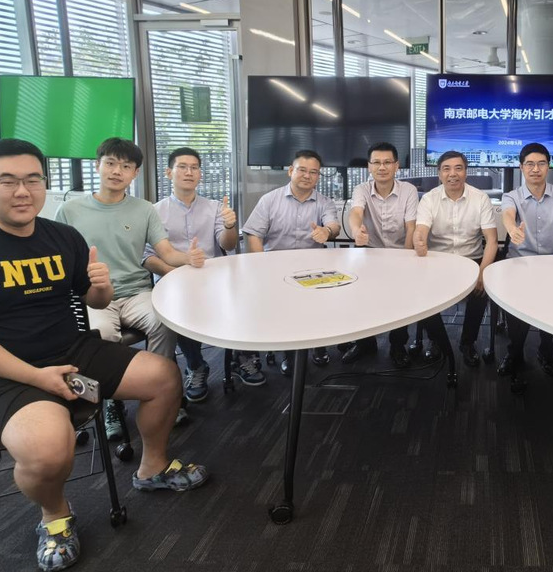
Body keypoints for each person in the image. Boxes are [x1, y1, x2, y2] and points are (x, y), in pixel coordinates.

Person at [0, 139, 208, 572]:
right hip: (2, 372)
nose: (22, 191)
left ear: (44, 184)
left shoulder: (62, 236)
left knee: (163, 377)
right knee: (48, 450)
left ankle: (152, 467)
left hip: (73, 350)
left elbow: (95, 299)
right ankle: (55, 516)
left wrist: (101, 286)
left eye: (32, 180)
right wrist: (37, 377)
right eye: (8, 181)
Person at [56, 138, 205, 437]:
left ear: (135, 173)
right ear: (97, 166)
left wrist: (188, 258)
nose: (117, 171)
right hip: (93, 296)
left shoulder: (144, 209)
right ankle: (112, 401)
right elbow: (57, 258)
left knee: (164, 322)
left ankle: (162, 392)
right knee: (101, 335)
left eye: (126, 166)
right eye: (110, 163)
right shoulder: (70, 210)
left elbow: (165, 252)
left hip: (137, 292)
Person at [143, 147, 254, 401]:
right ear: (169, 172)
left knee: (246, 295)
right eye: (182, 167)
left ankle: (242, 356)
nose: (189, 172)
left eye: (194, 167)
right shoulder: (154, 212)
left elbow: (227, 244)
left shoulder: (214, 207)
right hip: (172, 280)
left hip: (211, 278)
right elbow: (147, 257)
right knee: (180, 310)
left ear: (200, 174)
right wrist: (174, 273)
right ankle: (196, 365)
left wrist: (230, 225)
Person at [242, 149, 340, 371]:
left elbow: (333, 226)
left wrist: (326, 231)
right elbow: (254, 233)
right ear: (290, 171)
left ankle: (319, 344)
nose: (307, 176)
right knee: (285, 312)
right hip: (276, 268)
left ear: (318, 176)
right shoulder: (269, 200)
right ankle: (289, 353)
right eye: (302, 170)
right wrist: (260, 265)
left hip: (313, 270)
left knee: (319, 306)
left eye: (313, 172)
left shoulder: (324, 203)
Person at [413, 150, 497, 368]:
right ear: (439, 173)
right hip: (438, 261)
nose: (453, 174)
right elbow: (420, 230)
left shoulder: (480, 198)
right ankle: (437, 341)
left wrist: (482, 273)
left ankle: (467, 343)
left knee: (481, 293)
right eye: (446, 169)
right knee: (421, 292)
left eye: (458, 168)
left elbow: (492, 241)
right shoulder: (429, 199)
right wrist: (419, 240)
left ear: (466, 172)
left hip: (471, 260)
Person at [498, 143, 553, 378]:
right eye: (530, 164)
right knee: (516, 308)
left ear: (548, 167)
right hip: (519, 263)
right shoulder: (511, 196)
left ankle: (546, 349)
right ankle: (515, 352)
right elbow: (508, 215)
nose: (535, 169)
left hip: (552, 263)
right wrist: (512, 229)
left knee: (550, 307)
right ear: (521, 167)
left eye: (541, 164)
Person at [345, 142, 418, 367]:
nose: (382, 167)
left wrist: (407, 259)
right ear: (369, 166)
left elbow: (411, 227)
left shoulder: (408, 190)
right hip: (370, 253)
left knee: (400, 301)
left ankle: (398, 345)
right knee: (362, 299)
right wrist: (356, 231)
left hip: (400, 252)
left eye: (387, 162)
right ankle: (365, 343)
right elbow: (356, 212)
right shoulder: (362, 189)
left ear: (397, 165)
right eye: (376, 162)